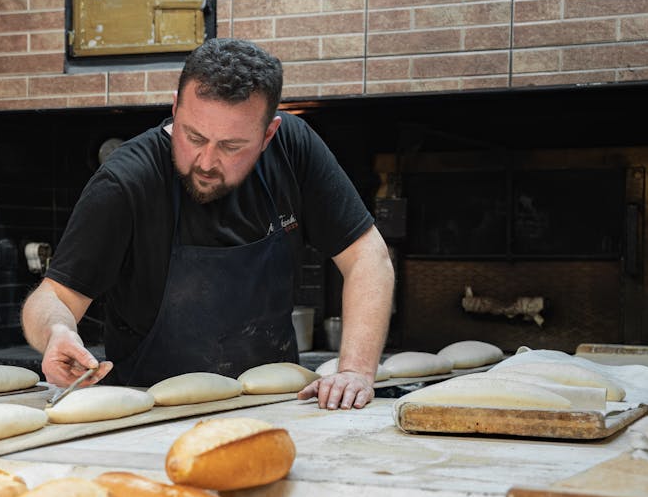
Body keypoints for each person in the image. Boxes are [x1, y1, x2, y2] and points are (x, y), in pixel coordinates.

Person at [21, 38, 395, 410]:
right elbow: (53, 297)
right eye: (193, 136)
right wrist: (58, 331)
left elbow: (367, 256)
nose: (205, 161)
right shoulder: (126, 183)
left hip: (275, 405)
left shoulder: (292, 150)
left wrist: (356, 371)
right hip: (150, 415)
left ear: (268, 135)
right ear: (176, 109)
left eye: (231, 146)